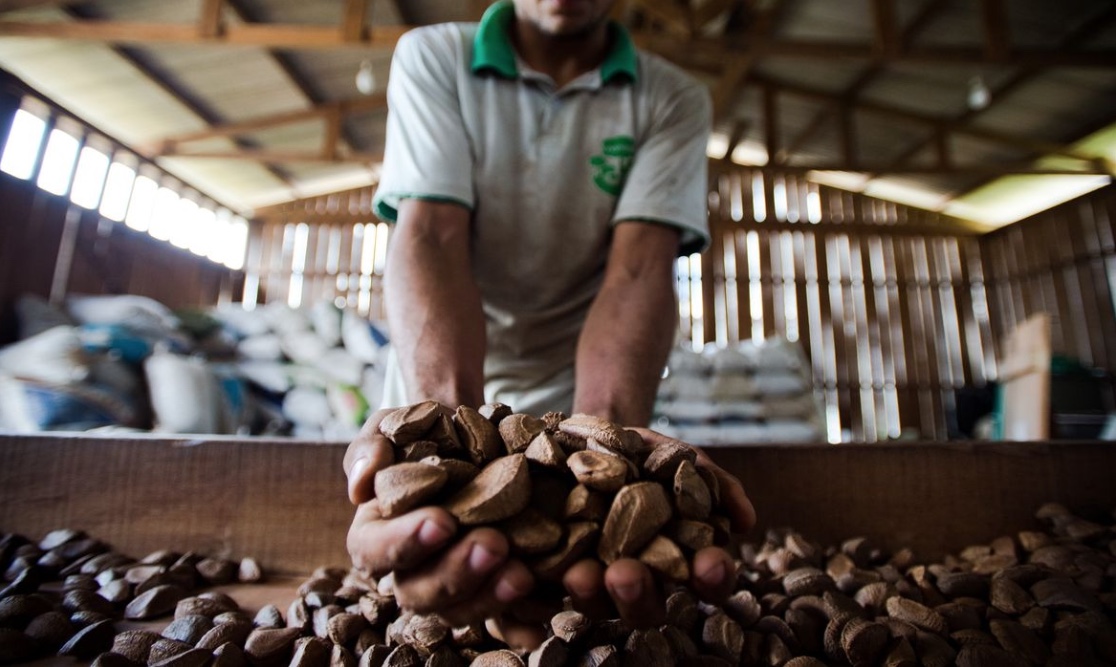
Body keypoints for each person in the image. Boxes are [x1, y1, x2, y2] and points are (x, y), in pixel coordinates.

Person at [344, 0, 756, 649]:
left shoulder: (670, 96)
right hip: (443, 372)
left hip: (584, 380)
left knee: (585, 605)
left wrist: (605, 456)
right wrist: (454, 448)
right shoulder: (437, 57)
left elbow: (639, 271)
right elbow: (431, 235)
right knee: (438, 589)